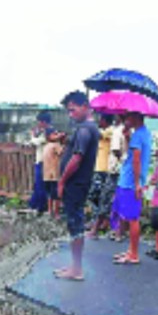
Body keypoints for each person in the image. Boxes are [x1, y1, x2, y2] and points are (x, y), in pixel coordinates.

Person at [54, 91, 101, 281]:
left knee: (75, 224)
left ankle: (77, 269)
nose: (70, 114)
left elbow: (77, 157)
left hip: (76, 184)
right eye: (68, 111)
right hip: (79, 184)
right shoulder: (86, 128)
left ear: (84, 106)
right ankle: (74, 265)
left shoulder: (84, 130)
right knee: (74, 223)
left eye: (73, 110)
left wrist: (62, 181)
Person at [111, 112, 153, 264]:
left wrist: (137, 184)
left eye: (128, 117)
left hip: (130, 182)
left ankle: (134, 254)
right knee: (129, 217)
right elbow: (132, 154)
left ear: (136, 117)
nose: (126, 120)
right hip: (129, 181)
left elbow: (136, 160)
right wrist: (127, 136)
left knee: (132, 218)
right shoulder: (143, 133)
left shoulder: (139, 135)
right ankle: (130, 250)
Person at [87, 115, 116, 237]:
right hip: (98, 169)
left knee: (98, 197)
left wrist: (90, 124)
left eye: (101, 119)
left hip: (104, 170)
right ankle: (100, 221)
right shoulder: (104, 132)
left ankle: (99, 223)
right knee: (96, 197)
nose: (99, 121)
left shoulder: (111, 131)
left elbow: (98, 134)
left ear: (105, 120)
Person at [28, 112, 54, 212]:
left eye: (39, 121)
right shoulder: (46, 131)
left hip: (44, 161)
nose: (38, 124)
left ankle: (41, 207)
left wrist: (32, 136)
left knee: (40, 185)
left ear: (43, 122)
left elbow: (36, 142)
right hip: (43, 160)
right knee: (38, 185)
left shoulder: (48, 132)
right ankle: (34, 205)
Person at [42, 130, 65, 218]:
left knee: (53, 194)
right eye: (54, 134)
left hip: (51, 174)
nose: (57, 135)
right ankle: (53, 211)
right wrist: (63, 143)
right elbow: (62, 152)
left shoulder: (48, 146)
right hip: (52, 174)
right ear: (48, 136)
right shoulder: (55, 145)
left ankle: (53, 211)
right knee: (53, 194)